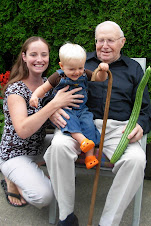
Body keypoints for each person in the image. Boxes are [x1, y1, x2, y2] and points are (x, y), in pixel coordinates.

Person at [44, 21, 151, 226]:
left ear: (122, 42)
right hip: (79, 126)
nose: (104, 45)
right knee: (57, 147)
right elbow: (52, 89)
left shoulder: (133, 69)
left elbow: (145, 108)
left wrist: (140, 125)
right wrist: (53, 109)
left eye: (110, 40)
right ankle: (66, 216)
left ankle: (108, 222)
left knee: (136, 160)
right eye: (100, 40)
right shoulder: (81, 63)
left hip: (117, 130)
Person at [0, 36, 84, 208]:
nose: (39, 59)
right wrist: (53, 105)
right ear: (24, 57)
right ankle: (12, 180)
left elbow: (62, 114)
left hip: (38, 145)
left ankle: (31, 171)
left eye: (44, 55)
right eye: (33, 54)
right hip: (15, 153)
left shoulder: (48, 84)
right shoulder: (15, 89)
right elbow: (23, 130)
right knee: (44, 196)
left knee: (72, 145)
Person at [30, 43, 108, 169]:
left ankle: (89, 156)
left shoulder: (85, 74)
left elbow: (100, 78)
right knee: (68, 121)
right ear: (62, 65)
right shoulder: (57, 76)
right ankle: (82, 140)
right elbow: (43, 88)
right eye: (72, 69)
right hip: (65, 110)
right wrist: (34, 96)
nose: (77, 72)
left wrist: (103, 70)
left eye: (80, 68)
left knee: (89, 125)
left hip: (82, 110)